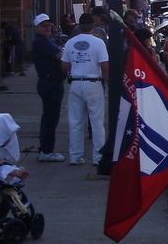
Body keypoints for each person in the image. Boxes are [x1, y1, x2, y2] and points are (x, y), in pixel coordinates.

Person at [62, 13, 109, 166]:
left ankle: (75, 156)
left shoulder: (70, 42)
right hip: (93, 82)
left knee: (75, 121)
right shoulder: (99, 42)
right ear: (94, 25)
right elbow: (104, 66)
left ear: (78, 25)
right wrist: (108, 83)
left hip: (76, 82)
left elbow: (64, 66)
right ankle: (98, 157)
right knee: (96, 121)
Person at [30, 14, 66, 162]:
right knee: (50, 119)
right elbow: (60, 55)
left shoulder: (46, 41)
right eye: (43, 26)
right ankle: (46, 150)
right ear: (36, 28)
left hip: (52, 83)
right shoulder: (41, 42)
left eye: (49, 26)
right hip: (50, 84)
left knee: (50, 117)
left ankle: (46, 149)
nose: (47, 29)